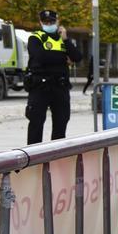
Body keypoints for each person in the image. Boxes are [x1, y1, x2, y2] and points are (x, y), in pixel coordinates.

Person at [25, 9, 81, 144]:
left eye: (52, 21)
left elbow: (77, 57)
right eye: (46, 22)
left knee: (61, 122)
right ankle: (34, 156)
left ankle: (56, 157)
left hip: (60, 87)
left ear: (57, 21)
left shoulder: (64, 40)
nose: (49, 24)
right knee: (36, 122)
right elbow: (41, 57)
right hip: (40, 86)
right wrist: (63, 58)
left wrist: (66, 41)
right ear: (40, 22)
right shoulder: (35, 37)